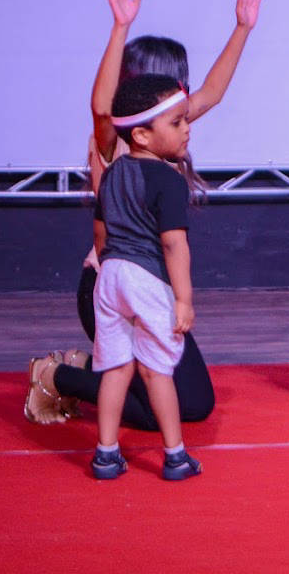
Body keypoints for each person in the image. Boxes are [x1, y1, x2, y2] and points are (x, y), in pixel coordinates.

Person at [25, 0, 262, 428]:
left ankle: (88, 366)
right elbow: (101, 108)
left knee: (194, 404)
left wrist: (242, 28)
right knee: (169, 407)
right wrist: (120, 26)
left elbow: (213, 93)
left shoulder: (164, 130)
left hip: (153, 289)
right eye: (179, 84)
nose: (186, 102)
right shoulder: (118, 138)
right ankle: (54, 376)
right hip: (111, 288)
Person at [88, 75, 202, 480]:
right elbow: (173, 244)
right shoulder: (168, 179)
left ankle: (106, 454)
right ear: (141, 135)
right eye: (176, 122)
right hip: (146, 279)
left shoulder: (112, 174)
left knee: (116, 368)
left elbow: (101, 234)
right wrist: (183, 299)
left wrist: (111, 268)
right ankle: (175, 456)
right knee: (156, 370)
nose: (187, 129)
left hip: (110, 276)